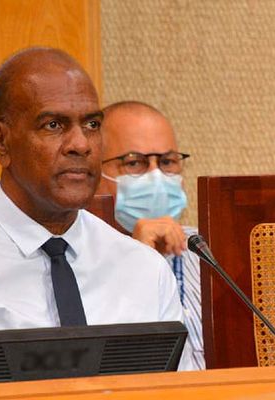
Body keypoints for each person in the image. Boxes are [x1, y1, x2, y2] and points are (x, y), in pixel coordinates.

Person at [0, 47, 192, 370]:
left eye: (92, 125)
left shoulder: (144, 270)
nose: (81, 144)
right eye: (53, 125)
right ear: (0, 142)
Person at [97, 101, 204, 370]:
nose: (156, 176)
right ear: (93, 173)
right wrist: (135, 259)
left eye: (167, 161)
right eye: (134, 162)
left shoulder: (211, 251)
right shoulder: (76, 259)